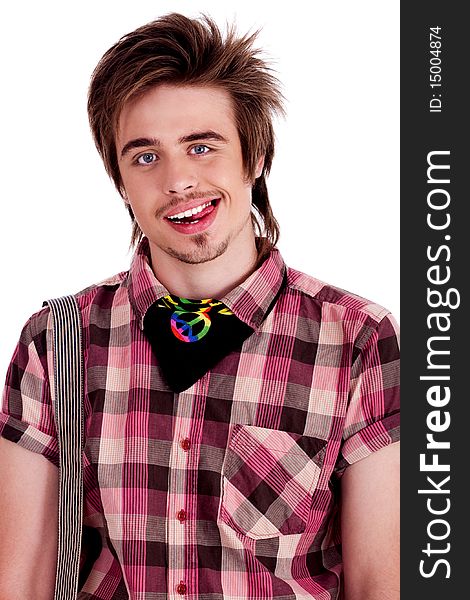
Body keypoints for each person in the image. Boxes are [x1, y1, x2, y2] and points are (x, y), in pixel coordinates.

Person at [0, 12, 400, 600]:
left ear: (255, 155)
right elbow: (21, 579)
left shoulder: (359, 340)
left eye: (202, 146)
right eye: (145, 156)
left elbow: (380, 582)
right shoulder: (57, 341)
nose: (178, 180)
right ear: (119, 179)